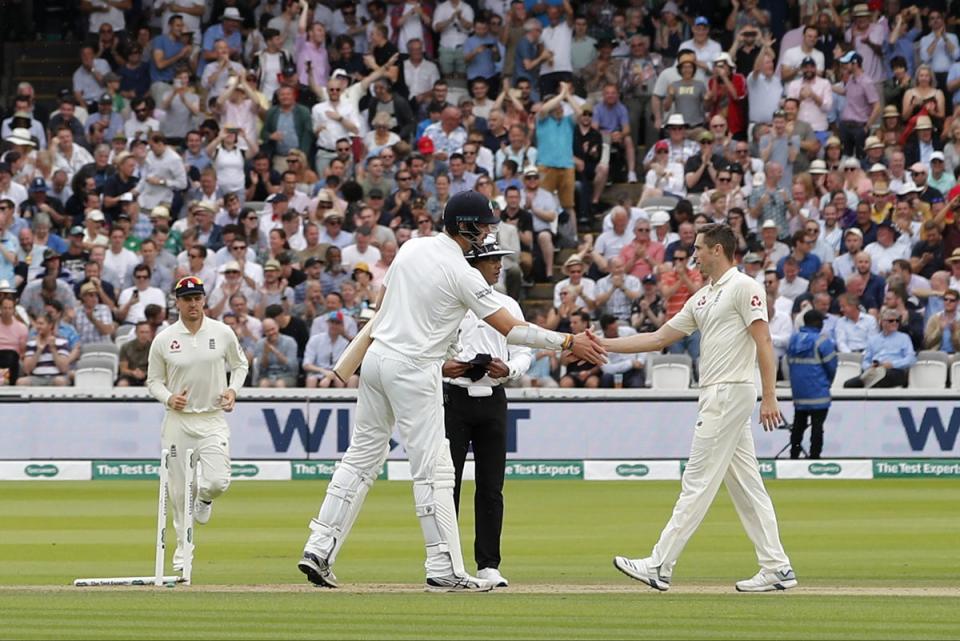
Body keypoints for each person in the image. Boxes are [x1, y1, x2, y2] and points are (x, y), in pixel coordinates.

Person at [297, 190, 604, 591]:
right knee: (435, 469)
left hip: (376, 361)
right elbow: (513, 329)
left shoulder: (412, 247)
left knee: (360, 459)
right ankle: (443, 567)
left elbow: (382, 300)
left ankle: (319, 548)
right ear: (465, 226)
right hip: (414, 368)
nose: (487, 232)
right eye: (483, 225)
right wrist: (567, 342)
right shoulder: (462, 272)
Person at [602, 223, 796, 593]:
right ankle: (776, 567)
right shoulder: (703, 297)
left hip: (729, 392)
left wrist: (769, 394)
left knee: (697, 479)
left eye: (699, 248)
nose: (694, 255)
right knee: (746, 485)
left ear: (718, 250)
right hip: (716, 394)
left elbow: (764, 341)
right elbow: (659, 337)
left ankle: (659, 564)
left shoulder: (745, 287)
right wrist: (605, 344)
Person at [442, 239, 531, 589]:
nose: (498, 265)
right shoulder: (450, 305)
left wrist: (506, 369)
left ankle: (488, 565)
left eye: (498, 259)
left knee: (491, 487)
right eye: (491, 259)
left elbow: (524, 351)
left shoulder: (507, 304)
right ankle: (447, 562)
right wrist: (450, 368)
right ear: (473, 264)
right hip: (455, 400)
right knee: (447, 485)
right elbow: (433, 353)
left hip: (493, 398)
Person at [146, 276, 249, 573]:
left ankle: (205, 498)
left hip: (213, 418)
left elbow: (241, 364)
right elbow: (153, 380)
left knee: (217, 481)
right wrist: (168, 399)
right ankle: (183, 552)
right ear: (177, 302)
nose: (193, 304)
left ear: (204, 300)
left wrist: (233, 390)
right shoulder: (164, 339)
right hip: (179, 421)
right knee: (178, 492)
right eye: (187, 298)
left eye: (197, 298)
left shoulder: (222, 331)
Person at [786, 310, 837, 460]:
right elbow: (832, 367)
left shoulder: (793, 340)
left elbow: (788, 363)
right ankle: (814, 457)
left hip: (799, 392)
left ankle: (793, 456)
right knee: (817, 427)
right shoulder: (822, 341)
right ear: (818, 323)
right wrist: (826, 384)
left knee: (798, 426)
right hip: (818, 392)